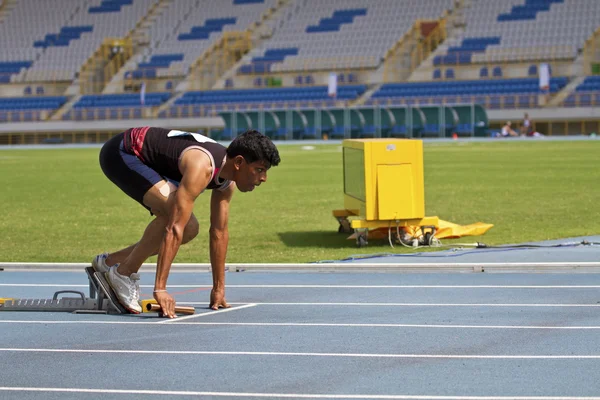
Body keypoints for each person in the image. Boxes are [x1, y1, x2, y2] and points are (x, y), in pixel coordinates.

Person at [92, 127, 280, 318]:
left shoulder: (226, 182)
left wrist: (218, 288)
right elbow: (174, 228)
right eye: (259, 170)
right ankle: (123, 273)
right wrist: (160, 289)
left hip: (150, 161)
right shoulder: (202, 166)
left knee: (189, 228)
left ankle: (110, 262)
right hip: (122, 152)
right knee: (183, 222)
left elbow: (219, 232)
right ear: (239, 162)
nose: (263, 178)